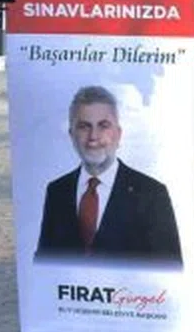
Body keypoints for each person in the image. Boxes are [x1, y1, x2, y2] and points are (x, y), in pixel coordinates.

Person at [35, 85, 183, 267]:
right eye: (84, 127)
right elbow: (43, 263)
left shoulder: (152, 194)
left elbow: (170, 268)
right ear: (72, 135)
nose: (93, 137)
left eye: (103, 126)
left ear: (118, 134)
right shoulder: (57, 191)